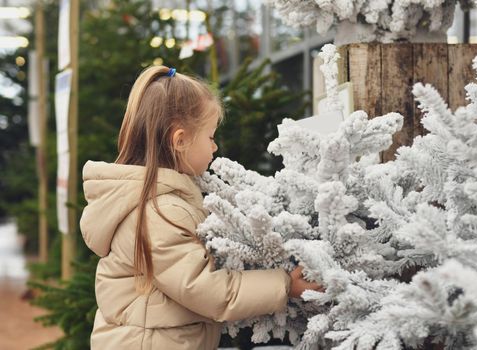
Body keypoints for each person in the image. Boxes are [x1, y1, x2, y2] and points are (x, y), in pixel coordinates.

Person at [80, 66, 322, 349]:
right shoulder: (158, 212)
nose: (215, 146)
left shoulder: (166, 199)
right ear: (180, 140)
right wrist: (284, 285)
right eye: (210, 136)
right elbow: (204, 288)